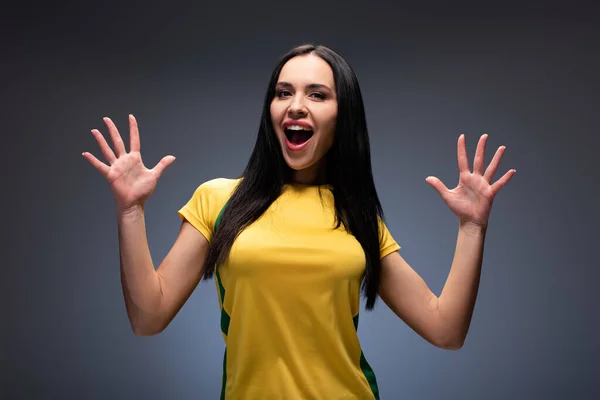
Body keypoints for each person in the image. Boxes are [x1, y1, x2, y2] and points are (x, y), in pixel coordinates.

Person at [82, 44, 515, 400]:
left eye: (317, 95)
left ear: (342, 116)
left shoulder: (356, 217)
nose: (296, 107)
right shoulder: (218, 200)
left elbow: (446, 329)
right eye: (283, 92)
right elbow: (148, 317)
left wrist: (472, 228)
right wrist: (130, 212)